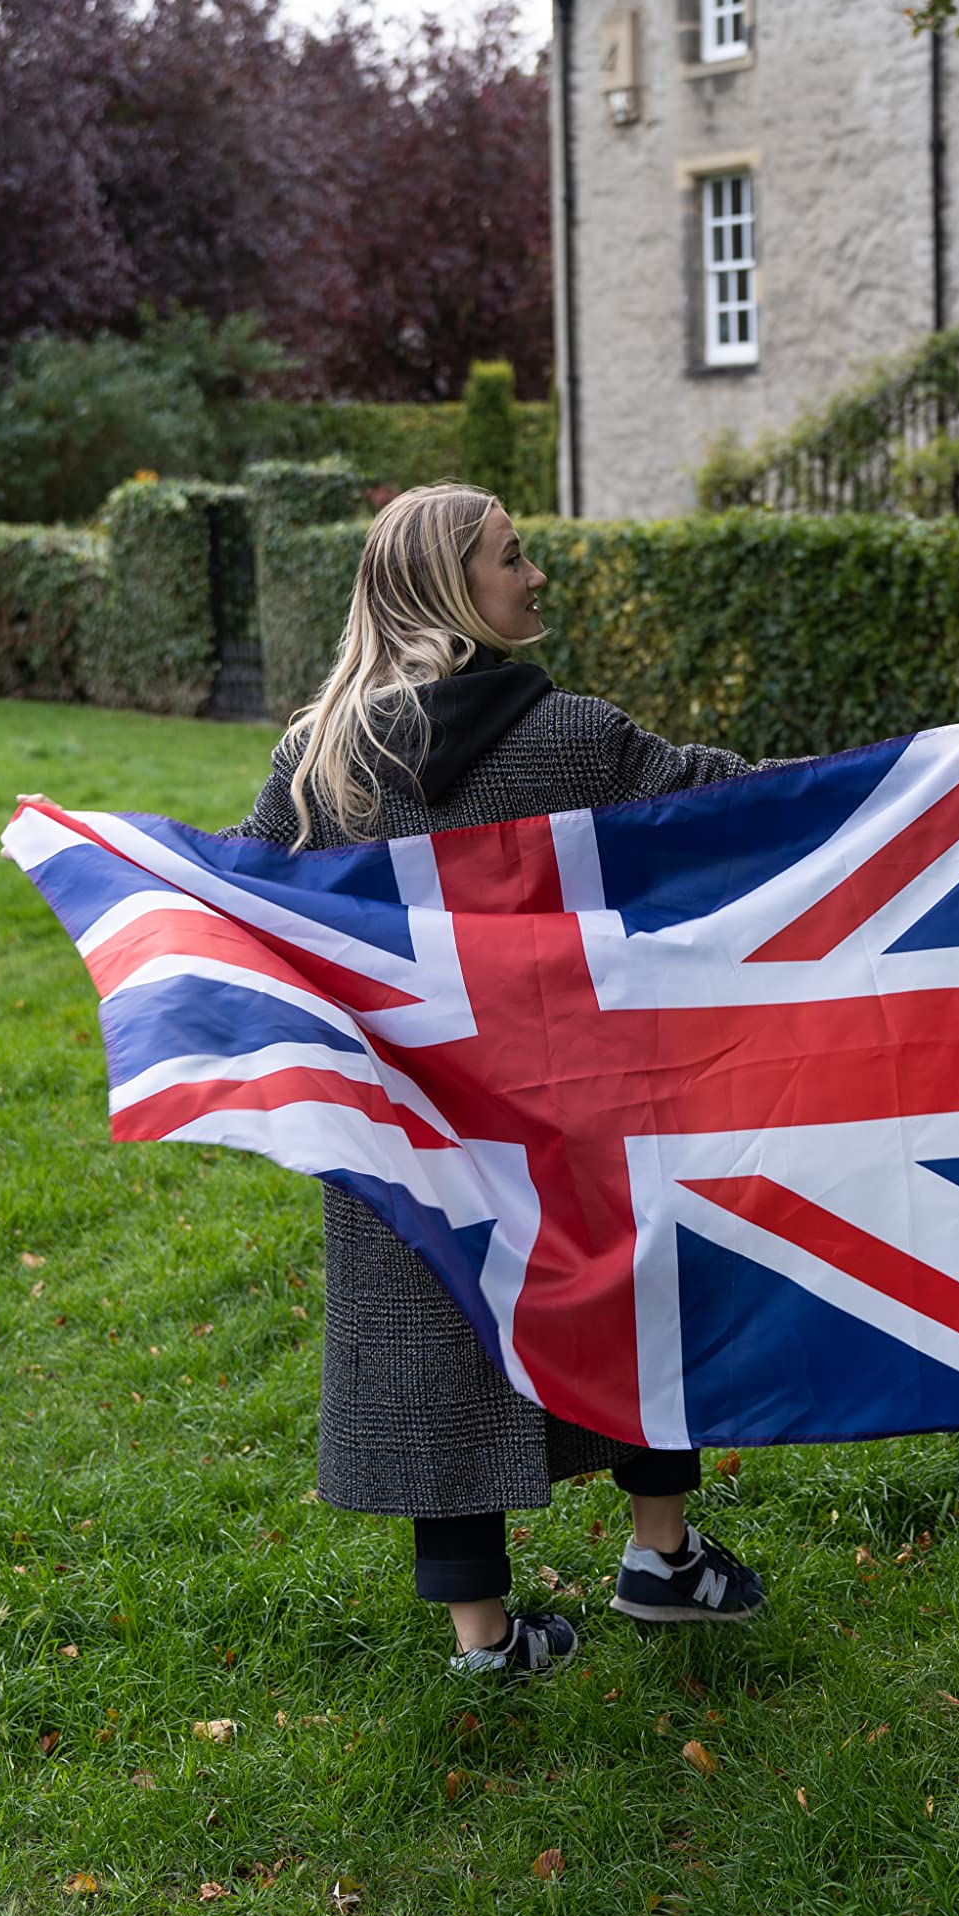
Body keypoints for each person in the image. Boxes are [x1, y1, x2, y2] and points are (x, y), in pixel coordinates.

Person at [222, 482, 766, 1680]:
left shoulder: (319, 765)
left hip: (409, 1122)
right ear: (448, 595)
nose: (534, 576)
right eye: (512, 558)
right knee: (628, 1291)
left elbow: (246, 908)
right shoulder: (568, 737)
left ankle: (487, 1641)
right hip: (567, 1104)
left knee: (435, 1326)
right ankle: (661, 1555)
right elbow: (731, 806)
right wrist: (895, 789)